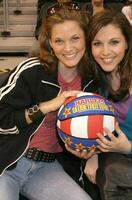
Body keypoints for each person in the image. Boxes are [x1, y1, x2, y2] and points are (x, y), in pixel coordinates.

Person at [0, 3, 97, 200]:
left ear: (86, 38)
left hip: (47, 168)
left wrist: (92, 153)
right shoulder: (32, 71)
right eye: (59, 41)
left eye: (75, 38)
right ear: (50, 43)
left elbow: (97, 126)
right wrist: (47, 106)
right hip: (7, 163)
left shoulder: (91, 81)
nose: (68, 48)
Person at [83, 10, 132, 199]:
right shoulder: (95, 82)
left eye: (114, 42)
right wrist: (94, 155)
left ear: (127, 43)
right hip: (119, 159)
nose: (105, 52)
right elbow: (94, 126)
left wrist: (129, 147)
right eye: (97, 44)